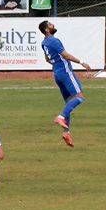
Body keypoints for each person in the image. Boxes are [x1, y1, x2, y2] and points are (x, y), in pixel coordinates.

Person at [39, 20, 92, 148]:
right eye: (50, 24)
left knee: (69, 102)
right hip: (66, 73)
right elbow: (66, 55)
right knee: (79, 97)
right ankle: (60, 117)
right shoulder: (54, 40)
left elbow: (47, 59)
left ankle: (66, 132)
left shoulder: (44, 43)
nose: (53, 25)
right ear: (47, 29)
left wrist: (57, 65)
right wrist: (81, 62)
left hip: (57, 74)